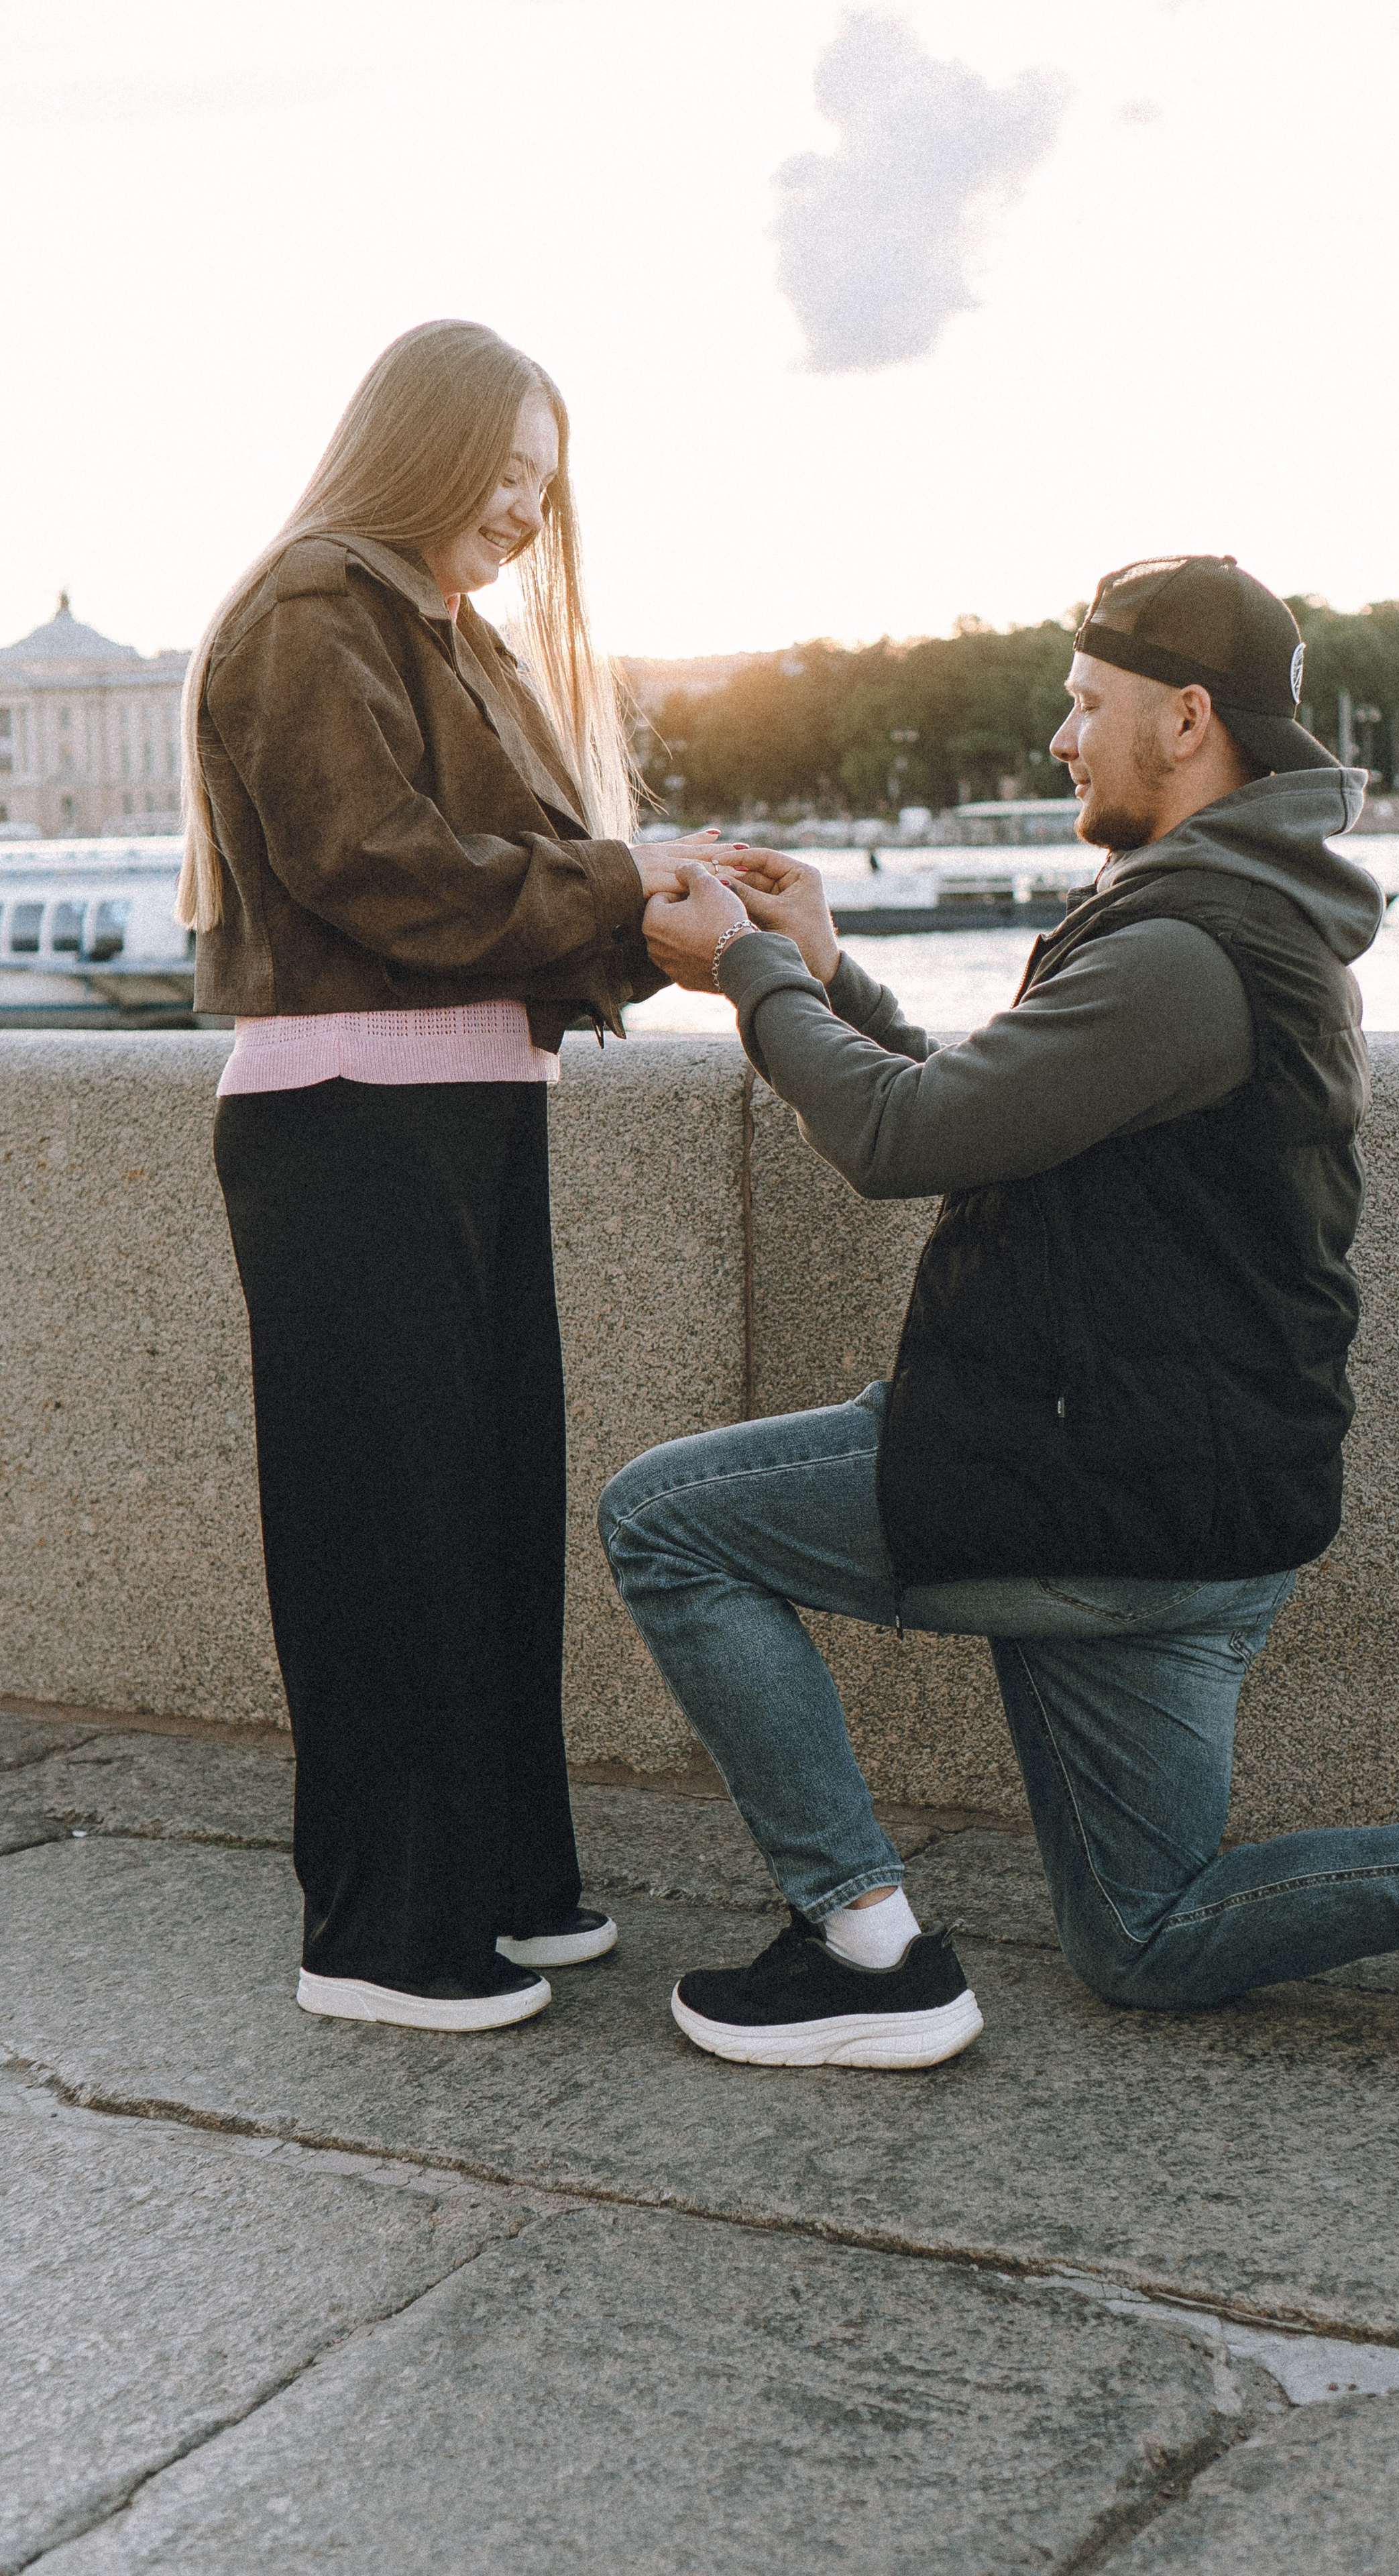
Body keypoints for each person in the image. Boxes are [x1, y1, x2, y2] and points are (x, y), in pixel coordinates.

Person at [602, 553, 1399, 2078]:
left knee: (666, 1523)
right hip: (1190, 1489)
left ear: (1183, 718)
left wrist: (739, 969)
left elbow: (898, 1144)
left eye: (1082, 703)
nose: (1058, 737)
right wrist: (823, 975)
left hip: (1093, 1483)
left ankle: (860, 1945)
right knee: (1145, 1935)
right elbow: (970, 1111)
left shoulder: (1185, 949)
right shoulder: (1234, 913)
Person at [183, 319, 725, 2033]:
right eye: (501, 469)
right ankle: (378, 1938)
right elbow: (383, 871)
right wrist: (625, 884)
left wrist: (663, 893)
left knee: (478, 1520)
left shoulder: (428, 621)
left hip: (452, 1118)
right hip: (350, 1129)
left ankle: (492, 1884)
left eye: (541, 484)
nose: (521, 509)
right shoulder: (311, 608)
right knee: (387, 1534)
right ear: (414, 445)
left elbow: (518, 881)